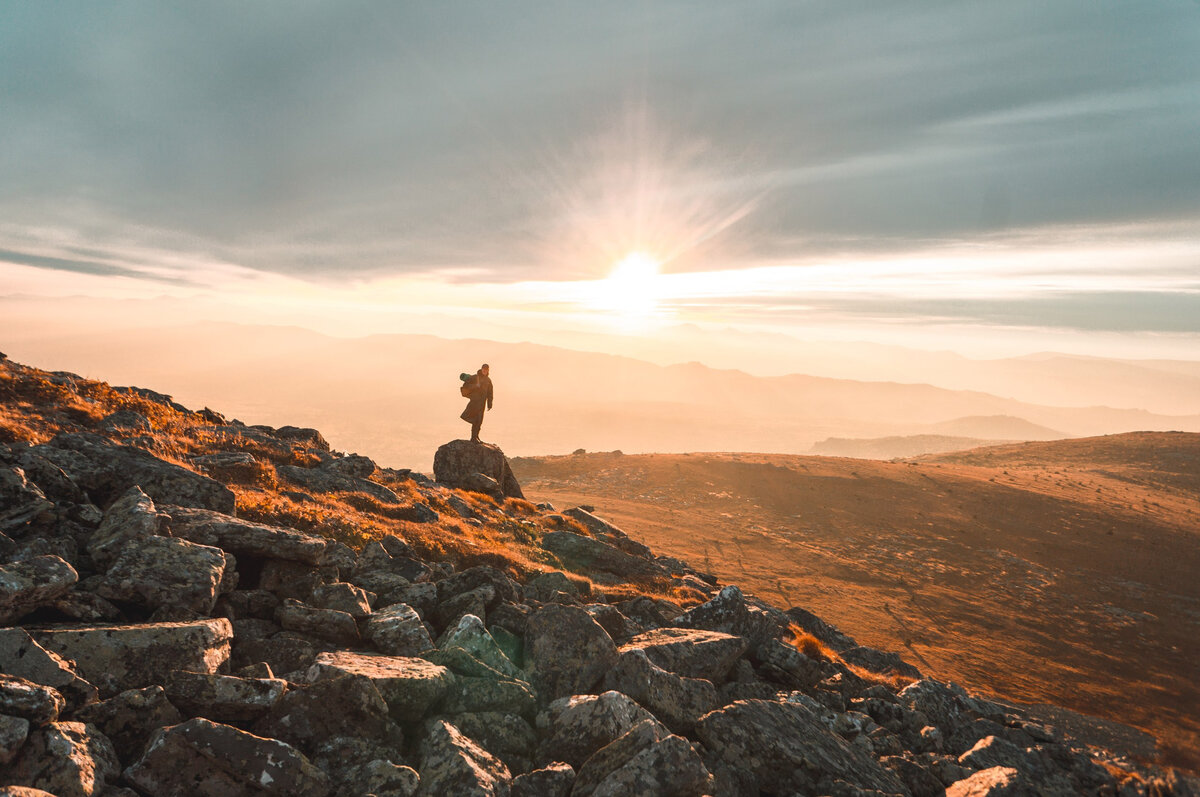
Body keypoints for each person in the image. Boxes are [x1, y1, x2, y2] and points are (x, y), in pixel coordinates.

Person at [460, 363, 493, 443]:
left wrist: (489, 404)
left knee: (479, 420)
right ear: (481, 369)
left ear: (488, 370)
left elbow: (490, 393)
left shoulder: (488, 380)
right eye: (483, 369)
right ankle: (473, 438)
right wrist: (475, 386)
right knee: (473, 418)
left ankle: (476, 436)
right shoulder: (475, 377)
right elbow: (465, 386)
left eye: (486, 370)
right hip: (474, 402)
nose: (484, 371)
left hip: (482, 404)